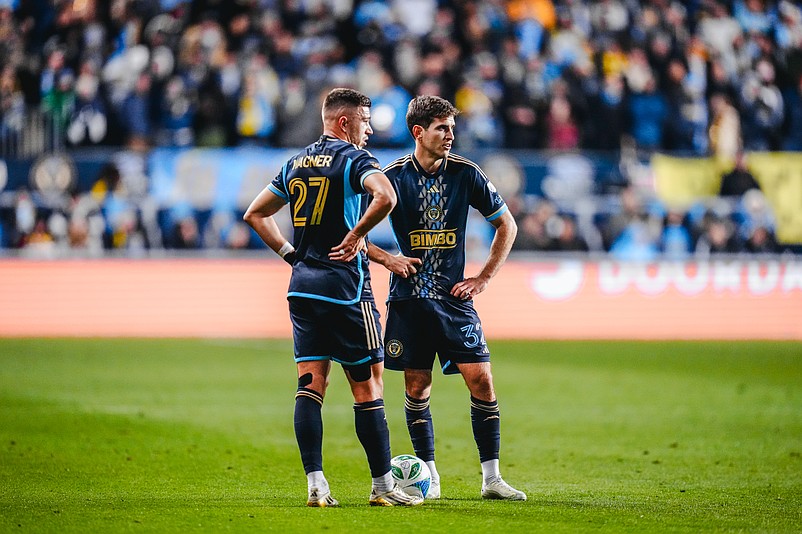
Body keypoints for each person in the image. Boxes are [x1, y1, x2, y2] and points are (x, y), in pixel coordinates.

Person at [242, 88, 423, 508]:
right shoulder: (354, 160)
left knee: (310, 385)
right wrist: (358, 234)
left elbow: (255, 213)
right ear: (344, 122)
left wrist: (293, 256)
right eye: (365, 120)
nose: (369, 129)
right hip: (345, 291)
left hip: (303, 288)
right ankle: (382, 488)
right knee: (369, 388)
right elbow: (387, 196)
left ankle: (316, 486)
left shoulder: (296, 162)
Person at [365, 95, 526, 501]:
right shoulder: (392, 177)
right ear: (419, 132)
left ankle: (492, 478)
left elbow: (506, 224)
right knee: (417, 389)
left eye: (452, 127)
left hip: (455, 301)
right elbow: (353, 230)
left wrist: (484, 278)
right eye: (442, 128)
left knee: (482, 381)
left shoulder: (467, 174)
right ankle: (430, 476)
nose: (451, 135)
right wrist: (388, 259)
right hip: (409, 301)